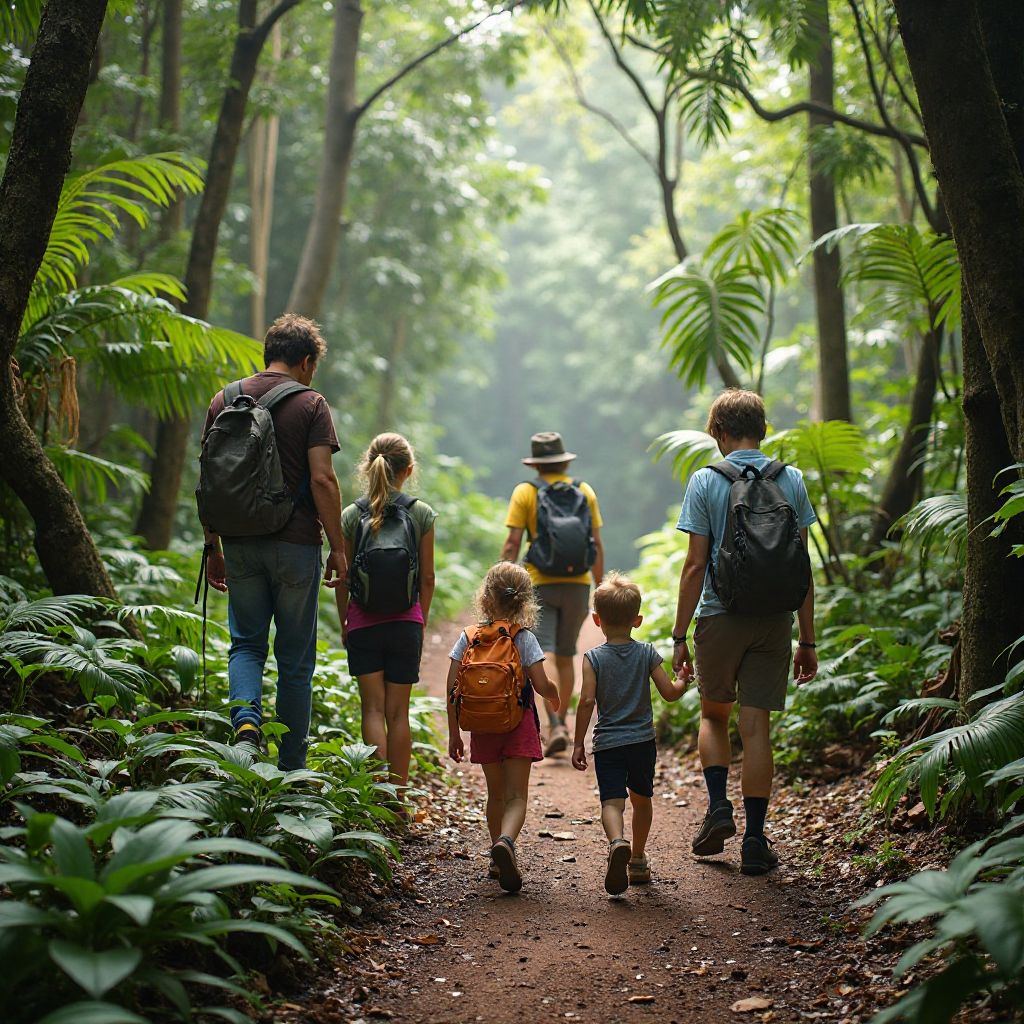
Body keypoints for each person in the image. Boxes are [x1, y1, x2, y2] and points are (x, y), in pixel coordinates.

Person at [671, 389, 818, 876]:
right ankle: (755, 840)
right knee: (757, 728)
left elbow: (695, 565)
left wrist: (677, 634)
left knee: (714, 717)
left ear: (719, 432)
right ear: (763, 429)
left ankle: (718, 807)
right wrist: (808, 640)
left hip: (720, 614)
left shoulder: (706, 480)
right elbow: (802, 567)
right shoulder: (790, 478)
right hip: (775, 619)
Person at [201, 313, 345, 771]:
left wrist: (212, 546)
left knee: (245, 644)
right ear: (305, 361)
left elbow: (210, 479)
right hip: (296, 544)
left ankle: (246, 725)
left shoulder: (223, 399)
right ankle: (291, 764)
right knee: (295, 658)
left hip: (240, 542)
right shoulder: (312, 405)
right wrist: (339, 548)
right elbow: (323, 479)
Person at [446, 562, 560, 894]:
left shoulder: (468, 638)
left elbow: (452, 687)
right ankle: (507, 842)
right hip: (518, 725)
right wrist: (554, 695)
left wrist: (455, 733)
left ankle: (496, 856)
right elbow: (540, 684)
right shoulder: (523, 638)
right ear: (526, 601)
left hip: (482, 727)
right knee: (516, 796)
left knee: (494, 794)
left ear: (485, 598)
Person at [571, 573, 685, 895]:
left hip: (607, 743)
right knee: (642, 798)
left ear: (597, 620)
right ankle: (636, 858)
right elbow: (669, 694)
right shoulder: (647, 653)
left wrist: (579, 742)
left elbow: (587, 701)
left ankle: (616, 841)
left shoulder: (593, 658)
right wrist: (683, 680)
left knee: (612, 801)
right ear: (637, 620)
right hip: (641, 742)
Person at [334, 433, 436, 796]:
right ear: (408, 471)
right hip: (405, 623)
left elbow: (343, 577)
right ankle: (399, 797)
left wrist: (346, 620)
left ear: (368, 467)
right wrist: (419, 619)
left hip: (364, 623)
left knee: (373, 711)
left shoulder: (351, 515)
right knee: (398, 714)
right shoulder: (420, 512)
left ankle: (376, 795)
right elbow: (426, 577)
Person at [501, 432, 604, 757]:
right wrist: (600, 588)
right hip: (578, 584)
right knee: (565, 652)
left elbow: (513, 543)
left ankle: (555, 724)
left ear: (536, 465)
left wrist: (502, 582)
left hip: (539, 584)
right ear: (563, 461)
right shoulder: (584, 490)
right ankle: (561, 720)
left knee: (539, 653)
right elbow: (596, 544)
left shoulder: (526, 492)